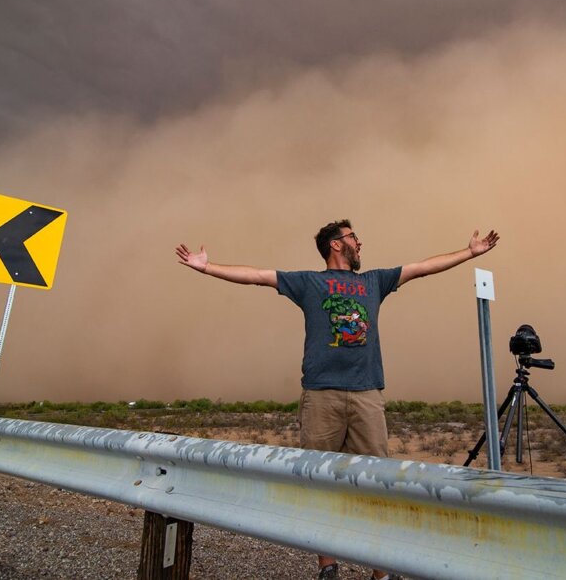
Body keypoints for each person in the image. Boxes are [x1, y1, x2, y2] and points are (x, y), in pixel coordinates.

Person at [175, 220, 499, 580]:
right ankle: (327, 567)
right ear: (336, 245)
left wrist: (469, 253)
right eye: (353, 238)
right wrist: (207, 268)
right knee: (318, 484)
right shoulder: (308, 283)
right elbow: (257, 276)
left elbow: (421, 267)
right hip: (321, 396)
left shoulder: (374, 281)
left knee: (380, 484)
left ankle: (382, 571)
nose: (360, 243)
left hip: (367, 395)